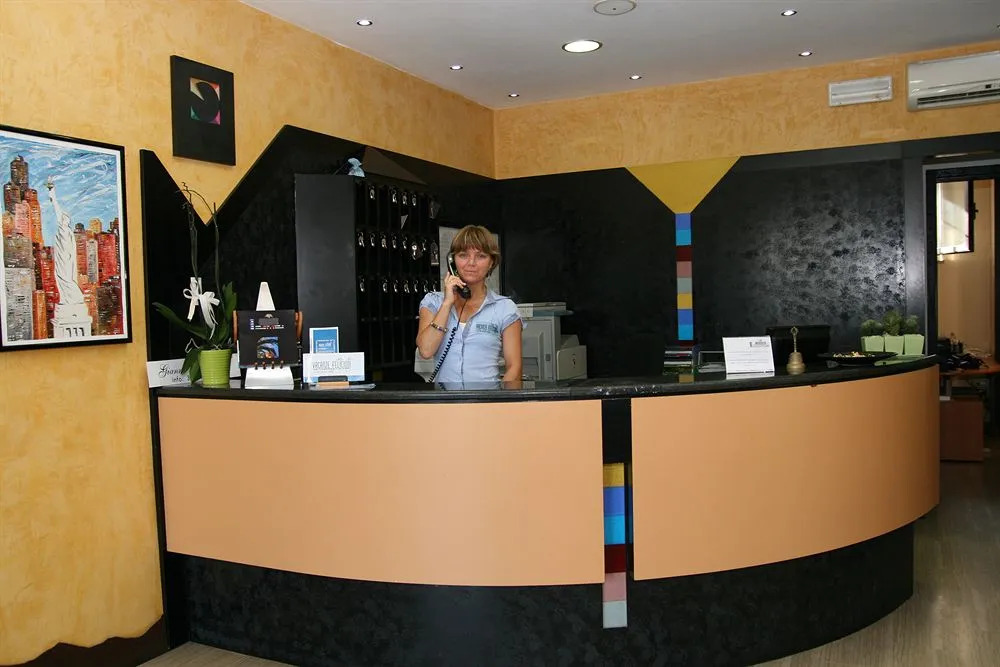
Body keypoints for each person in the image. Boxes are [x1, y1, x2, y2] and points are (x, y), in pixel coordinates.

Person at [416, 225, 522, 385]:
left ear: (491, 262)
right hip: (444, 399)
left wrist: (499, 400)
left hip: (488, 398)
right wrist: (447, 304)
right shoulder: (433, 302)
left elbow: (514, 368)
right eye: (463, 255)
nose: (471, 263)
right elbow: (425, 350)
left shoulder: (505, 308)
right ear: (452, 261)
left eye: (481, 256)